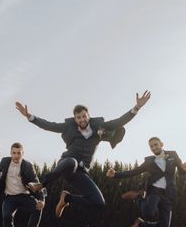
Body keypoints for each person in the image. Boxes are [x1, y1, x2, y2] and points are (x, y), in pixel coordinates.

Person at [15, 91, 151, 218]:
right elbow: (49, 125)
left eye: (84, 116)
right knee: (71, 162)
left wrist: (137, 107)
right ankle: (41, 185)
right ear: (75, 119)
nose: (82, 119)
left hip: (80, 172)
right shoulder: (69, 127)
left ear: (88, 116)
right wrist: (29, 116)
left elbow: (119, 121)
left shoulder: (99, 127)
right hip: (66, 166)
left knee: (99, 202)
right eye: (78, 117)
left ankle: (67, 198)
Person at [107, 137, 186, 227]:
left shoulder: (172, 155)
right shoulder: (149, 161)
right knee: (149, 213)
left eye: (155, 145)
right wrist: (115, 174)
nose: (154, 148)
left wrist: (184, 169)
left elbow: (181, 171)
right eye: (151, 146)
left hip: (168, 193)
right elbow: (134, 172)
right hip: (154, 190)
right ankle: (137, 197)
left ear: (161, 144)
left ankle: (140, 225)